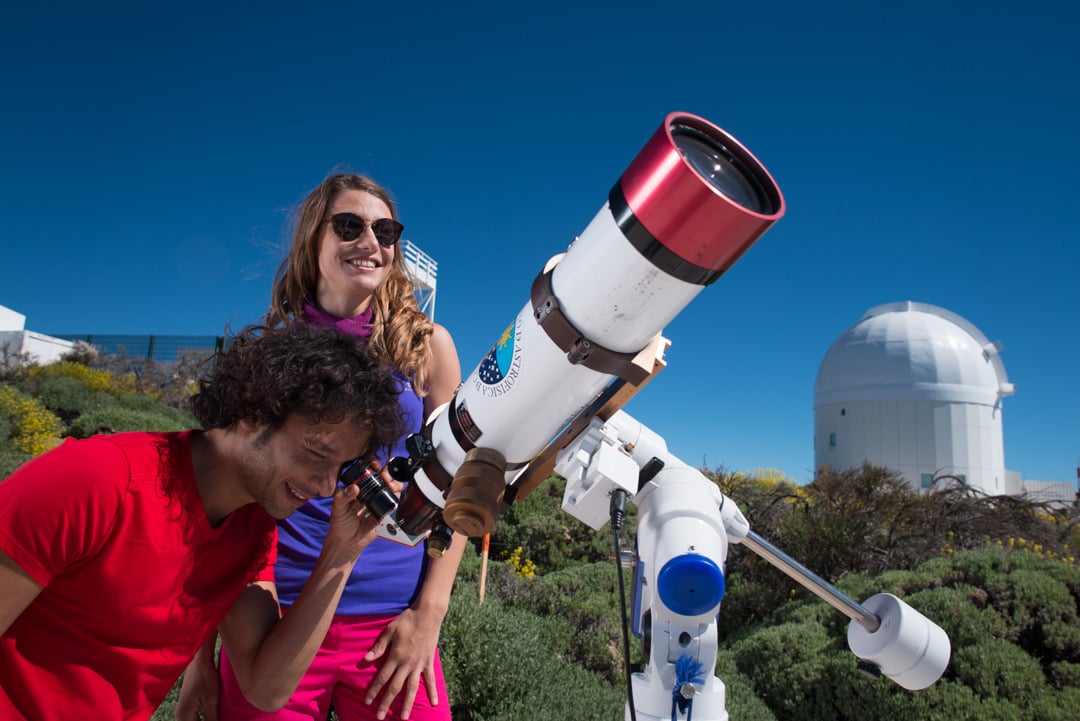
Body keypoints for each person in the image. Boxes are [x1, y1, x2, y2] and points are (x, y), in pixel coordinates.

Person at [0, 324, 407, 721]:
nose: (325, 487)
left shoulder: (253, 531)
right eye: (317, 453)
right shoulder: (94, 479)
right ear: (255, 410)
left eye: (340, 467)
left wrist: (342, 550)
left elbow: (266, 689)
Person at [178, 173, 464, 721]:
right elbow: (222, 502)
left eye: (386, 229)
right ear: (314, 240)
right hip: (274, 617)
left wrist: (429, 613)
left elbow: (455, 483)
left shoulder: (429, 347)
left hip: (389, 623)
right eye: (350, 225)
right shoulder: (273, 351)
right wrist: (202, 659)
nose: (371, 242)